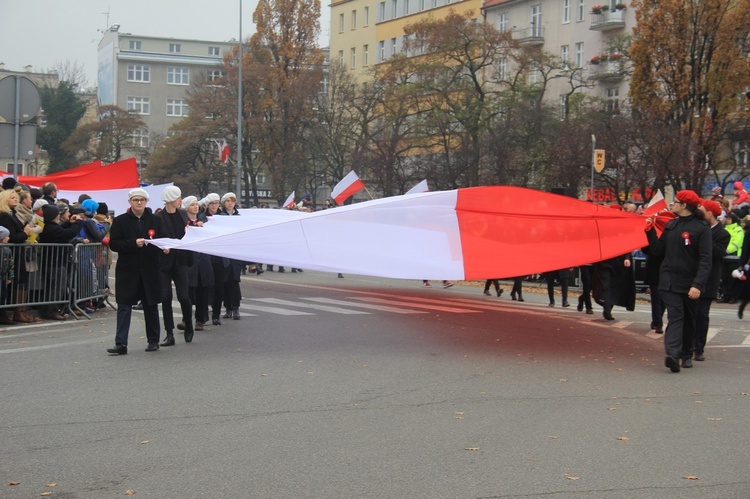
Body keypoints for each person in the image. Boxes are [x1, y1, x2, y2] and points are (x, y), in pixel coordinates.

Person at [645, 190, 712, 373]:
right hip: (669, 281)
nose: (671, 204)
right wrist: (650, 231)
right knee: (676, 317)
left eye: (675, 202)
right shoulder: (671, 225)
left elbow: (706, 259)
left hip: (690, 283)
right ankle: (672, 355)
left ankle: (686, 354)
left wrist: (698, 284)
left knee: (690, 319)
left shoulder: (701, 228)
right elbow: (658, 251)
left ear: (684, 206)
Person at [106, 188, 165, 355]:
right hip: (128, 270)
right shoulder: (120, 221)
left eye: (142, 200)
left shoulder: (155, 220)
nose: (139, 202)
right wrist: (133, 243)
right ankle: (121, 343)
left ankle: (153, 340)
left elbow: (163, 240)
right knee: (124, 306)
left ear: (146, 202)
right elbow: (114, 244)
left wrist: (165, 248)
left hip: (149, 269)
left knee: (150, 305)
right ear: (130, 202)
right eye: (135, 200)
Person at [155, 186, 194, 346]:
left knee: (183, 295)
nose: (180, 200)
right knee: (165, 297)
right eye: (178, 197)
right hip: (165, 262)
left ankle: (188, 324)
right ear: (171, 199)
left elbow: (188, 233)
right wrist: (162, 247)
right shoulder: (158, 217)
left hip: (181, 260)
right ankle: (169, 333)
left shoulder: (183, 214)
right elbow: (155, 238)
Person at [693, 199, 729, 362]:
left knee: (702, 314)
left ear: (710, 213)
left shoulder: (722, 234)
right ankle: (686, 344)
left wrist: (705, 237)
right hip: (693, 277)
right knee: (690, 313)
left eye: (702, 209)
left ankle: (698, 348)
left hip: (709, 280)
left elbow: (718, 253)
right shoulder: (698, 228)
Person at [38, 204, 86, 320]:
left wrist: (69, 222)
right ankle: (51, 311)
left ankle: (50, 310)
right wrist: (78, 223)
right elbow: (67, 233)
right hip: (55, 262)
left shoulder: (50, 226)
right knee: (57, 287)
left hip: (53, 261)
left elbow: (62, 229)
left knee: (54, 286)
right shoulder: (51, 228)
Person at [0, 189, 41, 323]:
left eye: (16, 197)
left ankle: (20, 311)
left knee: (20, 281)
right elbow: (11, 237)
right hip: (12, 254)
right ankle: (15, 312)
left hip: (18, 253)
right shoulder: (5, 216)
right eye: (12, 197)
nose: (15, 199)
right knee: (14, 282)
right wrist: (25, 232)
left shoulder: (13, 213)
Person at [183, 195, 212, 331]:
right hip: (189, 260)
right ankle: (186, 318)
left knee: (202, 291)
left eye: (196, 204)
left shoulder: (204, 220)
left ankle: (200, 319)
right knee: (187, 291)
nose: (195, 207)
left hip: (203, 259)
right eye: (192, 204)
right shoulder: (182, 221)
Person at [217, 193, 244, 320]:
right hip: (223, 253)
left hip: (235, 253)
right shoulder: (220, 216)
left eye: (232, 201)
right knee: (225, 282)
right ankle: (228, 308)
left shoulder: (239, 216)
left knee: (234, 280)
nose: (230, 203)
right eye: (227, 201)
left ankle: (236, 307)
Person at [592, 253, 635, 321]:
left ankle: (608, 308)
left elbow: (627, 245)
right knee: (602, 287)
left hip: (618, 263)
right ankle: (607, 305)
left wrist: (627, 257)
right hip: (603, 261)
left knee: (613, 288)